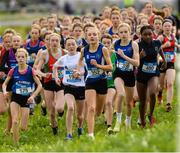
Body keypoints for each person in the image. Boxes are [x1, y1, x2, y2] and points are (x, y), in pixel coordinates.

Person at [78, 27, 112, 139]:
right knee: (91, 108)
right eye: (89, 35)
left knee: (97, 112)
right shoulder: (84, 50)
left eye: (94, 34)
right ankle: (90, 134)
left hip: (102, 81)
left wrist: (98, 66)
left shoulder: (103, 49)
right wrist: (78, 71)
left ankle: (98, 116)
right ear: (86, 37)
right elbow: (80, 62)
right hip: (90, 81)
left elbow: (110, 67)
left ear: (98, 36)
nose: (92, 36)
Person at [2, 48, 42, 144]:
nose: (20, 59)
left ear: (26, 58)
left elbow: (40, 85)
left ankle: (17, 131)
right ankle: (16, 144)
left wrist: (33, 96)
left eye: (22, 57)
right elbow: (5, 84)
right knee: (15, 121)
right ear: (16, 58)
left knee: (23, 127)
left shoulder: (30, 70)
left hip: (26, 99)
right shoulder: (13, 70)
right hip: (15, 98)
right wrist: (4, 91)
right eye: (18, 57)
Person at [53, 37, 85, 140]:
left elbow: (86, 70)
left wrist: (79, 73)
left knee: (80, 115)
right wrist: (56, 77)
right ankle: (69, 134)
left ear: (76, 45)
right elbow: (55, 66)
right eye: (69, 45)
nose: (71, 46)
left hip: (80, 87)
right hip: (68, 87)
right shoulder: (64, 58)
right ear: (65, 46)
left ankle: (80, 127)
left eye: (73, 44)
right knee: (70, 108)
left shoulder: (81, 56)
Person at [137, 25, 166, 128]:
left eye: (150, 34)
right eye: (145, 35)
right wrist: (139, 57)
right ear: (141, 35)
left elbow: (160, 50)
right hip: (141, 74)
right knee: (142, 100)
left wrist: (164, 59)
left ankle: (150, 114)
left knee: (153, 93)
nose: (148, 36)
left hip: (153, 73)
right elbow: (134, 62)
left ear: (153, 34)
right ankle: (143, 121)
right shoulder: (138, 45)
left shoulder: (157, 42)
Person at [36, 33, 65, 135]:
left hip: (60, 83)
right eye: (52, 40)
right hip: (48, 83)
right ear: (48, 42)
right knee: (52, 112)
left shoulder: (64, 53)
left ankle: (61, 112)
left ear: (59, 42)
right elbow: (37, 70)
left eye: (56, 41)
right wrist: (44, 74)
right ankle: (54, 127)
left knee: (60, 108)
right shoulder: (45, 53)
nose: (54, 43)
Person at [113, 23, 139, 132]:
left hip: (129, 74)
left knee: (129, 102)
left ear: (129, 32)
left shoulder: (133, 45)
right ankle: (118, 122)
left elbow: (137, 63)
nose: (123, 34)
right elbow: (107, 51)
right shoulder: (115, 43)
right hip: (118, 73)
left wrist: (124, 56)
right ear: (118, 33)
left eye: (125, 32)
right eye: (121, 32)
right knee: (121, 93)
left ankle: (127, 121)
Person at [157, 19, 180, 111]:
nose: (167, 27)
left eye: (169, 26)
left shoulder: (173, 36)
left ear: (171, 27)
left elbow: (175, 44)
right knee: (160, 86)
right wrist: (163, 46)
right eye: (165, 26)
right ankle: (159, 94)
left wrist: (177, 46)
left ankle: (168, 104)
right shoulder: (160, 37)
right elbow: (154, 49)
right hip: (162, 62)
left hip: (171, 62)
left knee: (170, 83)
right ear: (163, 27)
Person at [101, 34, 116, 134]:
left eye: (108, 43)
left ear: (111, 44)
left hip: (112, 82)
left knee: (109, 102)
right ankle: (105, 115)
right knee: (101, 106)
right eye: (104, 43)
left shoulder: (115, 55)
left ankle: (109, 125)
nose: (106, 45)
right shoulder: (98, 54)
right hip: (100, 82)